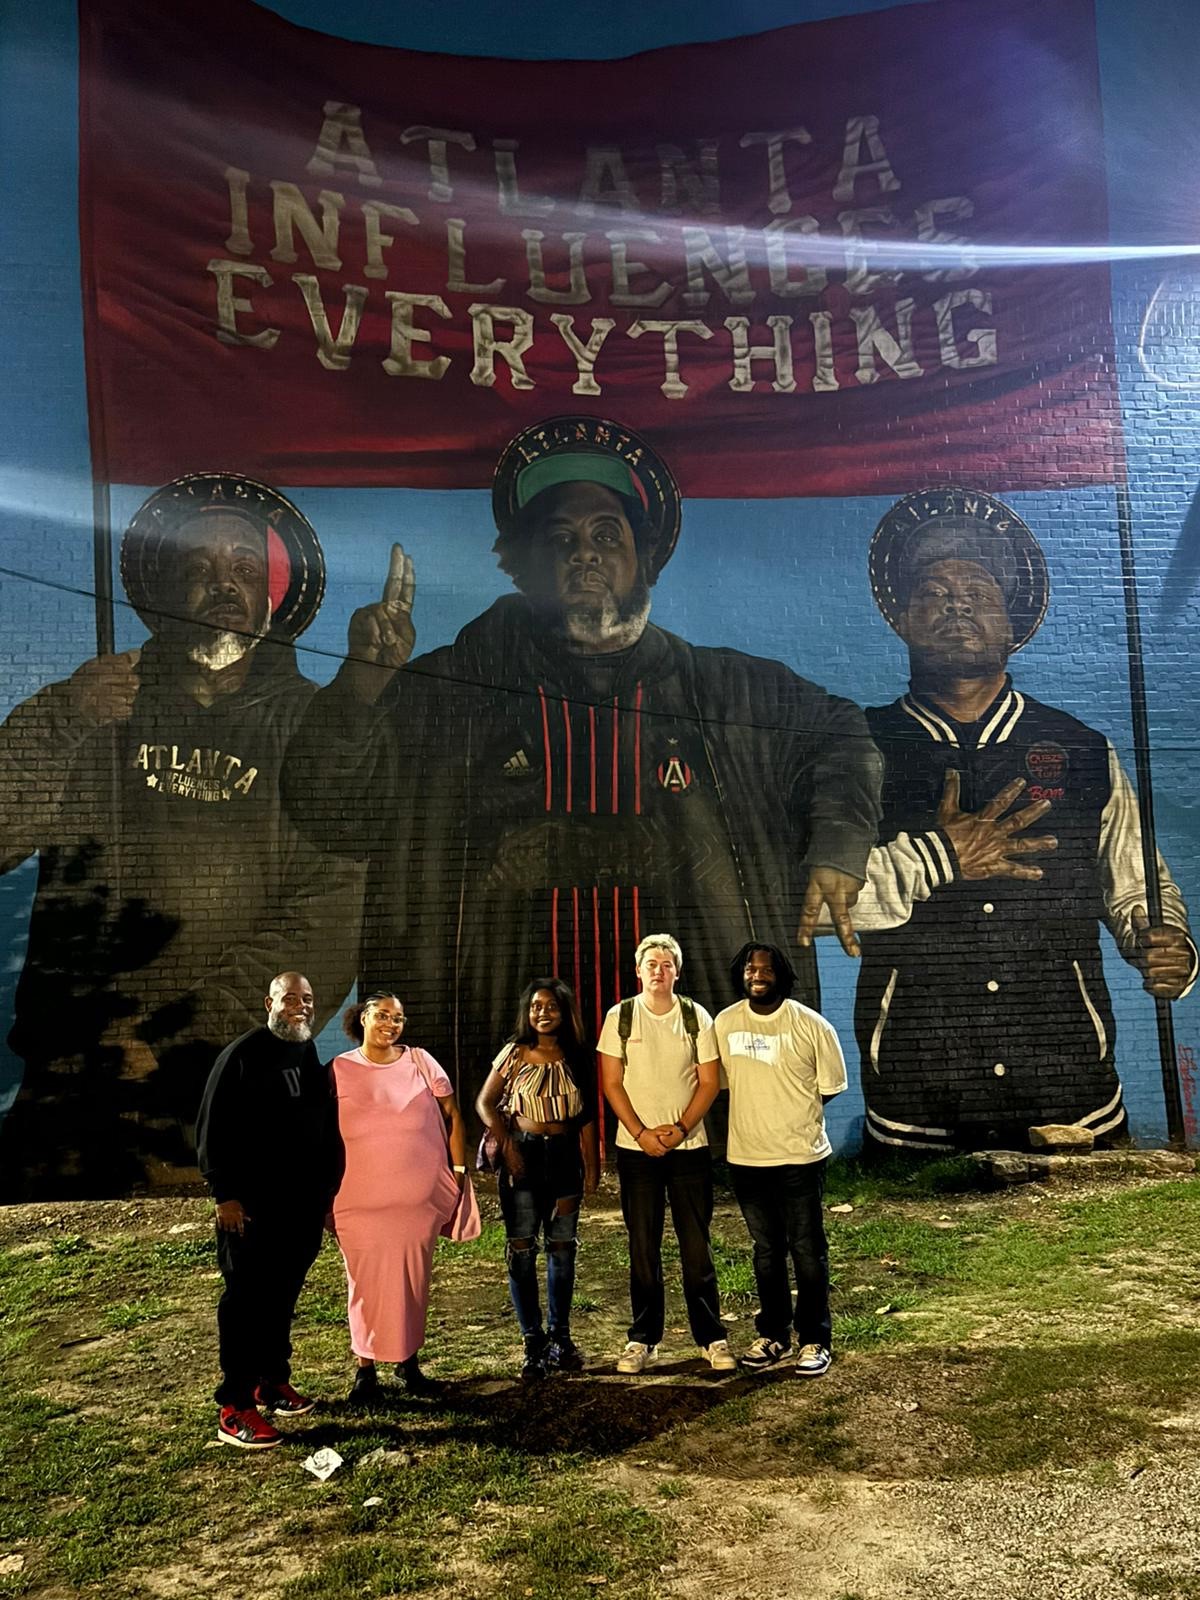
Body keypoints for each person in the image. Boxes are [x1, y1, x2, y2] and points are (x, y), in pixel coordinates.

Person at [283, 416, 881, 1118]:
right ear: (524, 564)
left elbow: (842, 737)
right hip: (498, 1036)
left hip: (687, 1057)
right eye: (560, 540)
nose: (584, 555)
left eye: (606, 535)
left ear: (647, 557)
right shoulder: (441, 695)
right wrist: (359, 684)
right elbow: (329, 812)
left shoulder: (727, 693)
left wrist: (838, 846)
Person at [0, 473, 363, 1197]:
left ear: (272, 597)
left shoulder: (315, 730)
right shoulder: (93, 702)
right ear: (164, 593)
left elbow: (325, 919)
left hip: (218, 1096)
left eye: (242, 569)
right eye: (196, 569)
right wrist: (67, 716)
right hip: (65, 1093)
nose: (220, 584)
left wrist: (176, 1037)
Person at [856, 488, 1196, 1153]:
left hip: (1071, 1099)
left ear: (1014, 624)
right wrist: (937, 857)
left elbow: (1133, 885)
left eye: (977, 593)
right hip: (916, 1100)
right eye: (931, 591)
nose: (956, 605)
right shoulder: (854, 750)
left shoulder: (1083, 750)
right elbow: (813, 899)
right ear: (899, 618)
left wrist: (1168, 944)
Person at [196, 971, 343, 1450]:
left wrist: (323, 1195)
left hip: (298, 1207)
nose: (300, 1006)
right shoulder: (242, 1054)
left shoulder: (306, 1051)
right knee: (245, 1301)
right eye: (290, 998)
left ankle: (271, 1381)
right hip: (251, 1209)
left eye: (308, 998)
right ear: (269, 1002)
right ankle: (235, 1405)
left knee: (281, 1297)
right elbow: (212, 1127)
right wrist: (225, 1194)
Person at [598, 934, 734, 1374]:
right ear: (638, 971)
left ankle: (711, 1337)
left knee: (696, 1247)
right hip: (636, 1152)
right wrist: (640, 1133)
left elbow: (709, 1082)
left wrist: (678, 1130)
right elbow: (612, 1083)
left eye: (667, 964)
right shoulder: (619, 1017)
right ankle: (643, 1339)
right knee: (643, 1248)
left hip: (689, 1149)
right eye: (651, 964)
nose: (659, 971)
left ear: (678, 971)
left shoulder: (696, 1017)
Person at [331, 991, 470, 1406]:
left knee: (412, 1280)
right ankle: (365, 1369)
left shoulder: (421, 1062)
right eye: (383, 1015)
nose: (392, 1024)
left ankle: (409, 1363)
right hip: (357, 1201)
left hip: (415, 1201)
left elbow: (453, 1115)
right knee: (363, 1282)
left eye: (399, 1017)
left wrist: (458, 1172)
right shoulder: (336, 1070)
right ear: (362, 1018)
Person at [715, 942, 846, 1379]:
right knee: (766, 1251)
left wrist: (791, 1117)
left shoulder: (811, 1026)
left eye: (766, 969)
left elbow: (829, 1087)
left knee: (807, 1250)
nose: (757, 974)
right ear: (742, 974)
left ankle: (815, 1340)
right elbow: (720, 1084)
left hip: (800, 1156)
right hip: (747, 1158)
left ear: (781, 975)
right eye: (751, 968)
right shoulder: (725, 1023)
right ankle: (773, 1335)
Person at [476, 977, 600, 1380]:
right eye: (535, 1007)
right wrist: (507, 1146)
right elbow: (484, 1102)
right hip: (524, 1155)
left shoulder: (578, 1056)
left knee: (562, 1248)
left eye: (550, 1007)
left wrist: (593, 1167)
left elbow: (585, 1118)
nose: (542, 1013)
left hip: (564, 1158)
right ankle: (532, 1340)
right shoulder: (513, 1052)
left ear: (564, 1012)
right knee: (522, 1247)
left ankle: (561, 1337)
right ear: (527, 1013)